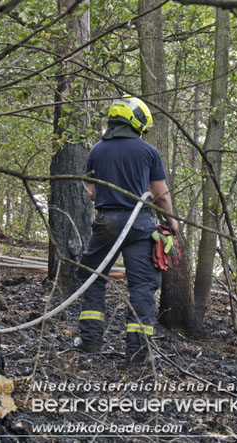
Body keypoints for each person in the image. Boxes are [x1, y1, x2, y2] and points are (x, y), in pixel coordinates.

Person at [75, 95, 179, 365]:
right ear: (137, 121)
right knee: (142, 287)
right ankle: (138, 352)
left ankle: (90, 341)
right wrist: (172, 222)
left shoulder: (97, 150)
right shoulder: (147, 151)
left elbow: (91, 193)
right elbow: (161, 195)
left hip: (107, 221)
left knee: (93, 278)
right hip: (140, 224)